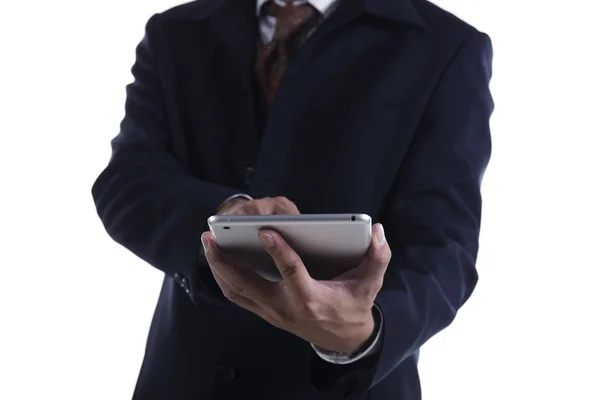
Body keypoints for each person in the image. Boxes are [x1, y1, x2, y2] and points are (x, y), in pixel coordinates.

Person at [91, 0, 493, 398]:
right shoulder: (175, 30)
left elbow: (444, 245)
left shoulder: (445, 45)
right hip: (185, 378)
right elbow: (127, 181)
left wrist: (365, 329)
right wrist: (225, 214)